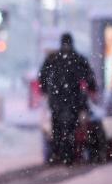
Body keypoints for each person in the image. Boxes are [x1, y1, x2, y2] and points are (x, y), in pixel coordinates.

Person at [39, 33, 98, 165]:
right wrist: (92, 89)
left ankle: (58, 153)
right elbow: (89, 77)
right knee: (72, 126)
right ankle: (70, 154)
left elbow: (42, 76)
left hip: (56, 100)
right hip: (74, 100)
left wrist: (45, 91)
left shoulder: (52, 58)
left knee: (57, 126)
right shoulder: (78, 58)